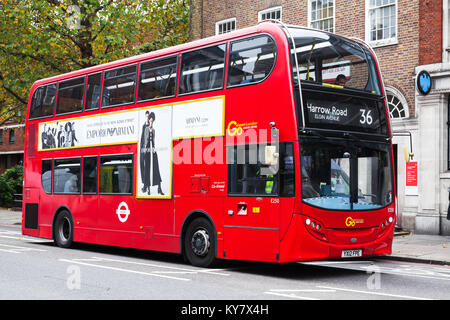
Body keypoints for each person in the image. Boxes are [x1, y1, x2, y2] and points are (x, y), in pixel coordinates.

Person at [140, 111, 163, 195]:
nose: (151, 120)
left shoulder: (153, 130)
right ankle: (148, 188)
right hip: (147, 149)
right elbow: (145, 139)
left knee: (156, 167)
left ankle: (159, 188)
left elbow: (153, 139)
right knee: (147, 169)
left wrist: (153, 148)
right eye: (150, 119)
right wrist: (145, 149)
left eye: (152, 119)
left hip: (152, 148)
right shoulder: (146, 128)